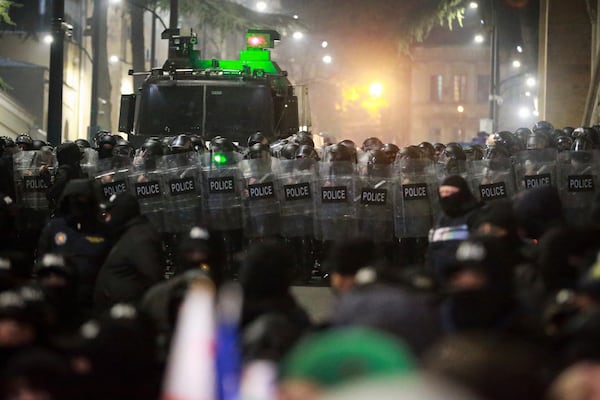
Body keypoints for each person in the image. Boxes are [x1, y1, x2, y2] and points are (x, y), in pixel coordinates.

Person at [37, 179, 110, 315]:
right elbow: (42, 262)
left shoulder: (103, 230)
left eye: (82, 198)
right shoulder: (54, 228)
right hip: (58, 301)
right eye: (74, 198)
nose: (78, 202)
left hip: (94, 301)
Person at [93, 193, 164, 313]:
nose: (108, 218)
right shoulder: (130, 234)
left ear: (121, 213)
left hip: (131, 313)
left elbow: (153, 277)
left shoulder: (139, 238)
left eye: (111, 213)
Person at [426, 175, 482, 282]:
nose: (445, 197)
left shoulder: (475, 216)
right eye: (442, 193)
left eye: (449, 192)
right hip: (440, 279)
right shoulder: (442, 218)